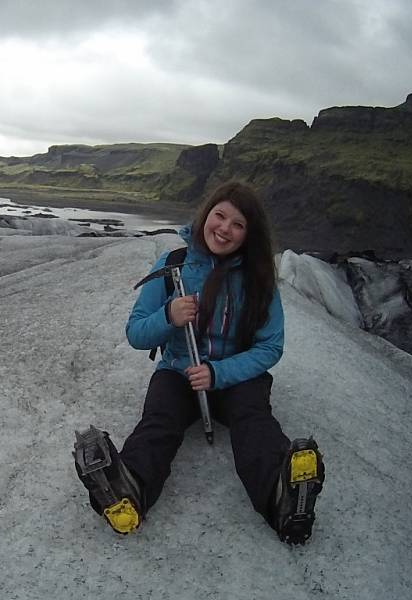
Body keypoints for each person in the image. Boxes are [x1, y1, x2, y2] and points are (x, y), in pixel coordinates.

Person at [74, 180, 325, 545]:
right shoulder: (173, 264)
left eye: (237, 224)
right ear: (206, 214)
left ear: (248, 234)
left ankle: (283, 499)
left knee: (253, 420)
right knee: (160, 421)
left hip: (236, 373)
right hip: (178, 369)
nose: (224, 228)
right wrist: (169, 315)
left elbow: (270, 346)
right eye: (219, 216)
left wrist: (218, 372)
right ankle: (129, 493)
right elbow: (137, 334)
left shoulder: (258, 278)